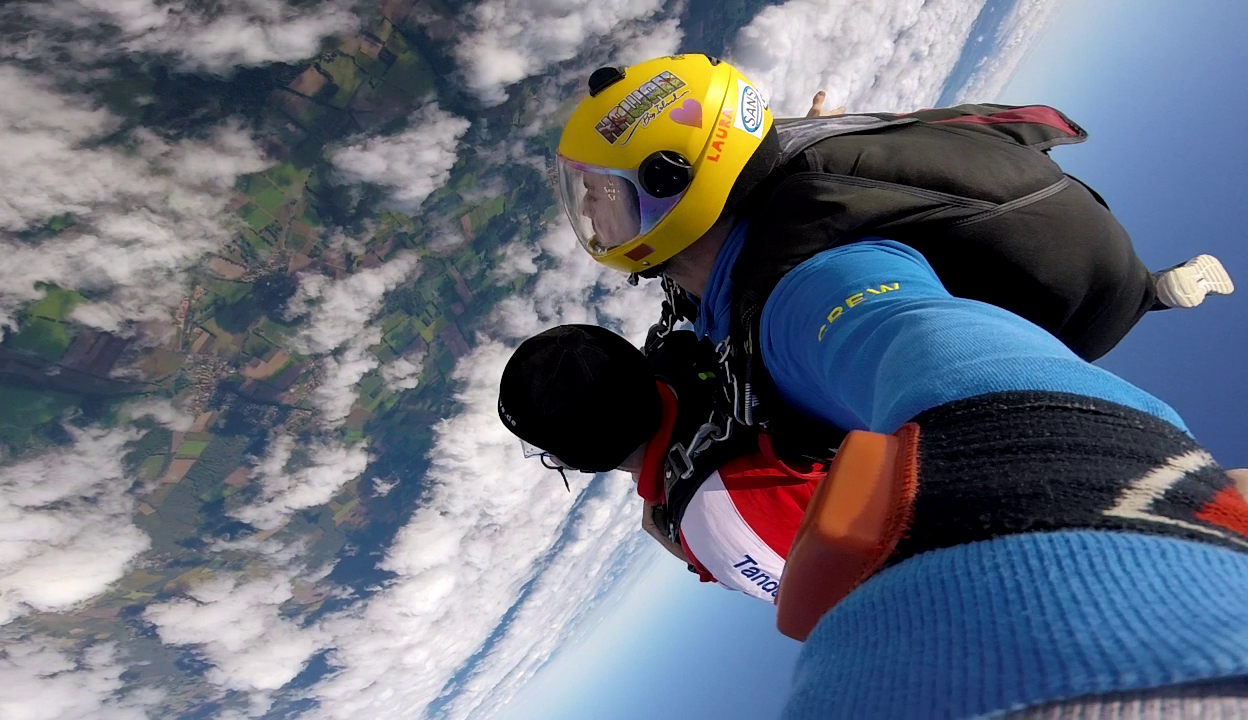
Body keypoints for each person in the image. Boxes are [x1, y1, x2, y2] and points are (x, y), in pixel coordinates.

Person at [500, 240, 1248, 717]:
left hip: (1050, 587)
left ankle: (1137, 295)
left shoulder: (710, 516)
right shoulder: (688, 364)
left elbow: (852, 587)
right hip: (942, 367)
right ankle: (1133, 290)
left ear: (578, 461)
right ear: (632, 366)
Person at [555, 54, 1234, 430]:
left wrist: (1120, 479)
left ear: (672, 184)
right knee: (1137, 289)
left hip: (1075, 311)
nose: (587, 207)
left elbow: (928, 356)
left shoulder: (808, 289)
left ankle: (1157, 292)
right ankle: (1161, 291)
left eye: (598, 190)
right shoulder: (791, 167)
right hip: (1067, 233)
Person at [497, 323, 825, 604]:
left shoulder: (714, 521)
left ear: (581, 459)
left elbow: (828, 606)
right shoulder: (687, 349)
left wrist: (698, 554)